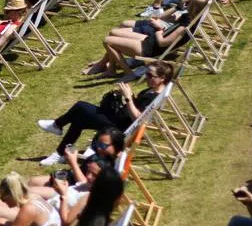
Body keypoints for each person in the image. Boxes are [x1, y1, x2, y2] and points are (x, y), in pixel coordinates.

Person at [36, 62, 173, 165]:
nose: (146, 77)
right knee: (79, 119)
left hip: (121, 128)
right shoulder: (152, 91)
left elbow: (138, 118)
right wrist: (128, 96)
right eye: (146, 73)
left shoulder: (153, 96)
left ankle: (57, 126)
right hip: (119, 119)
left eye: (150, 75)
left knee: (81, 107)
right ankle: (60, 153)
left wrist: (128, 98)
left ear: (162, 78)